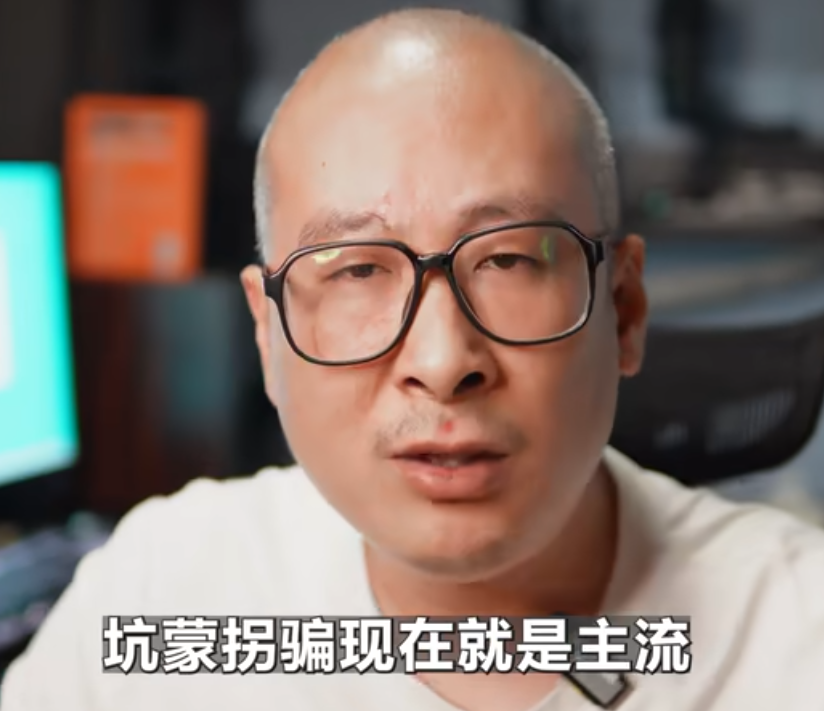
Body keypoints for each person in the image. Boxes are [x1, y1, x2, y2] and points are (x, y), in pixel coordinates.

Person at [3, 8, 824, 711]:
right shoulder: (161, 588)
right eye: (356, 270)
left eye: (509, 259)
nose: (440, 359)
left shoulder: (795, 639)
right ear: (266, 332)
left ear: (625, 308)